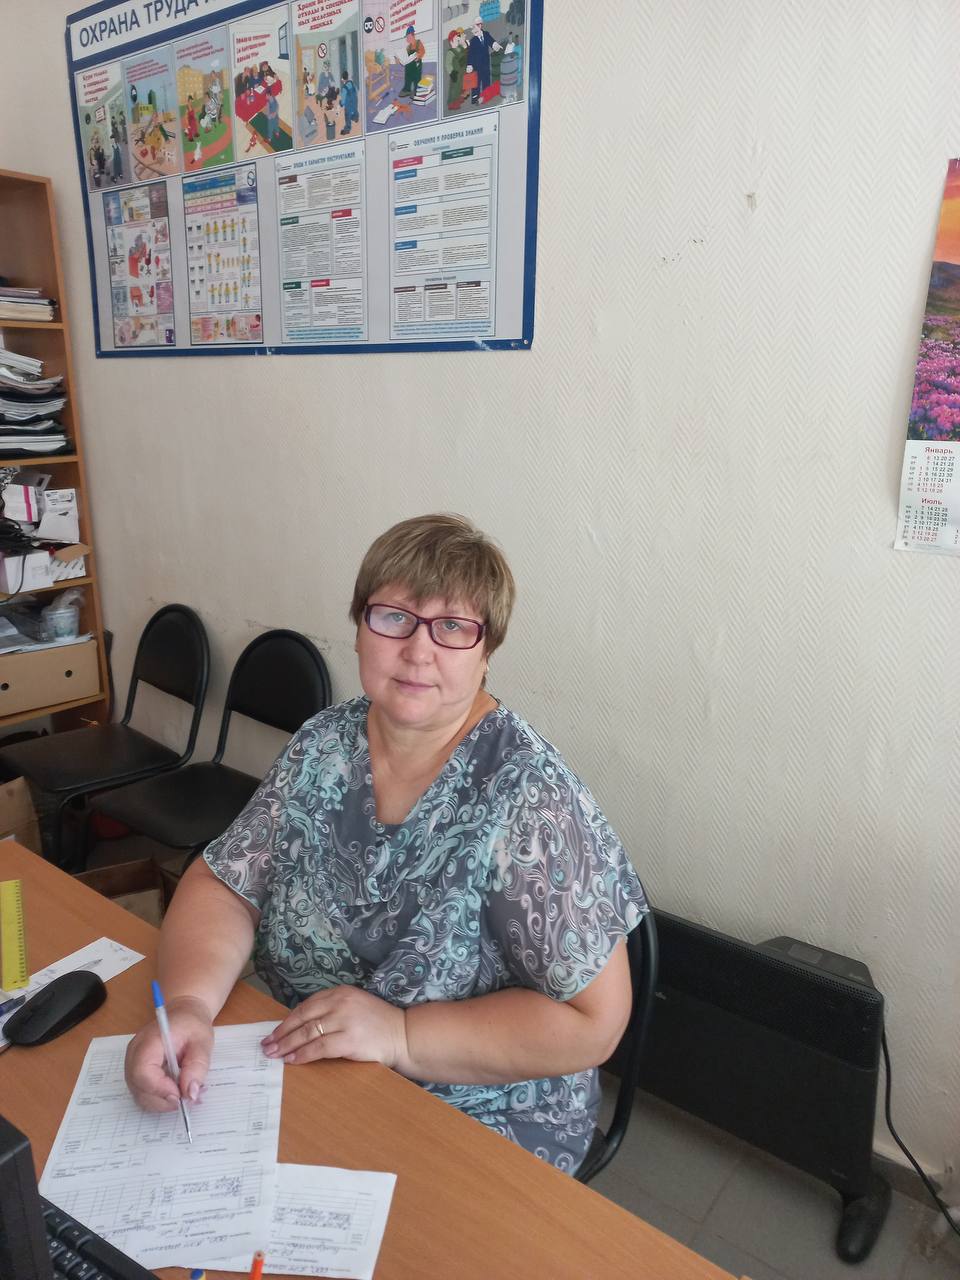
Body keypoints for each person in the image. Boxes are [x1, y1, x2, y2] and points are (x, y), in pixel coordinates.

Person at [123, 515, 648, 1175]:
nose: (419, 650)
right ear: (359, 627)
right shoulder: (323, 744)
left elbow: (593, 1022)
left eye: (453, 627)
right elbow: (227, 884)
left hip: (477, 1104)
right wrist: (190, 1006)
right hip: (319, 1060)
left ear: (487, 650)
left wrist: (401, 1035)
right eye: (394, 617)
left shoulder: (529, 798)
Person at [467, 19, 500, 103]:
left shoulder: (486, 34)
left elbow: (491, 41)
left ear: (480, 25)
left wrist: (495, 45)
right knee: (476, 82)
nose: (474, 29)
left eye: (477, 26)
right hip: (476, 65)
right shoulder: (473, 40)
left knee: (486, 79)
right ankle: (475, 98)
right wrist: (469, 64)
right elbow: (470, 54)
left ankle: (486, 96)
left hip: (485, 62)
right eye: (473, 27)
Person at [396, 25, 425, 98]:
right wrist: (399, 60)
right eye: (407, 37)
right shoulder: (408, 47)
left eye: (408, 37)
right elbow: (405, 57)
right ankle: (407, 90)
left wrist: (418, 56)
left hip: (416, 65)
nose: (407, 39)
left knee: (416, 79)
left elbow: (422, 51)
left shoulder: (418, 43)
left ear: (413, 35)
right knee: (407, 78)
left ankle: (416, 90)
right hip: (408, 66)